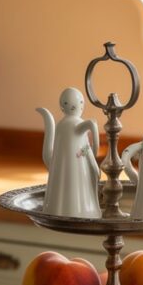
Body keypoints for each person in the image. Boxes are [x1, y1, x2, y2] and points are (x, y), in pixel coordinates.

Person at [37, 87, 101, 218]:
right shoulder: (67, 124)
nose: (70, 106)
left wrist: (93, 151)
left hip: (74, 168)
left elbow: (91, 125)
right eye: (66, 103)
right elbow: (91, 125)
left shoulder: (68, 124)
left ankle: (57, 209)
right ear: (62, 106)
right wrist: (93, 152)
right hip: (79, 165)